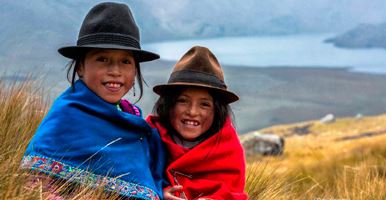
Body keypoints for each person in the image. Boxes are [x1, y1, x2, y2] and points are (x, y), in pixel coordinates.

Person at [21, 2, 165, 199]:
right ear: (80, 67)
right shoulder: (66, 117)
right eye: (102, 59)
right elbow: (36, 186)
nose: (115, 71)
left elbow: (144, 180)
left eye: (125, 61)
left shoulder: (133, 121)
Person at [146, 46, 248, 200]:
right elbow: (135, 179)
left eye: (204, 104)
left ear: (217, 111)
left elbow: (233, 193)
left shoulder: (228, 148)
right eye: (183, 101)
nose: (193, 112)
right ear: (168, 105)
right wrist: (158, 195)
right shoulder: (148, 136)